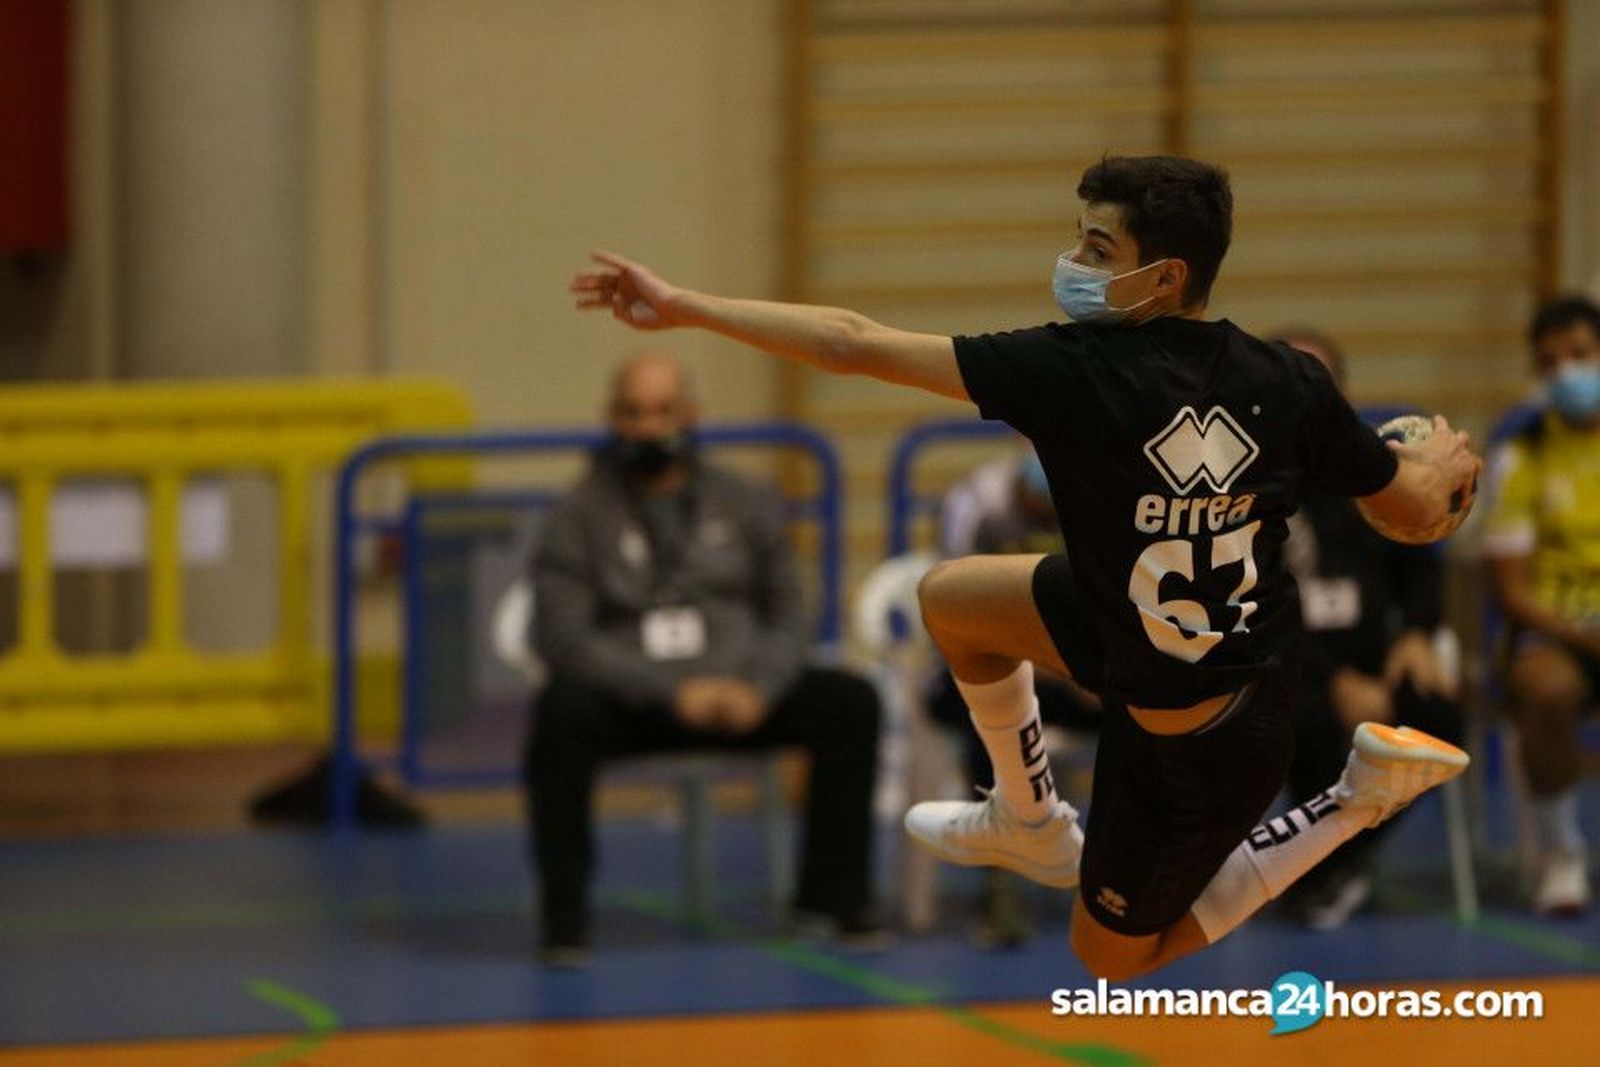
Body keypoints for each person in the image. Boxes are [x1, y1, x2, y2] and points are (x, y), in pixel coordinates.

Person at [570, 154, 1481, 980]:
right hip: (1144, 628)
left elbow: (852, 340)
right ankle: (1032, 819)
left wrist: (685, 305)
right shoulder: (1287, 380)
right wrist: (1439, 477)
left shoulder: (1076, 371)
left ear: (1163, 277)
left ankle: (1353, 802)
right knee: (953, 600)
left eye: (1097, 245)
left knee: (1114, 959)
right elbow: (1406, 508)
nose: (1074, 262)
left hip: (1203, 734)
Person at [524, 352, 882, 962]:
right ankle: (566, 920)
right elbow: (562, 635)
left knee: (849, 701)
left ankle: (830, 901)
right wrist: (668, 692)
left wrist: (760, 688)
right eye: (634, 413)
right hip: (638, 703)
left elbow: (792, 609)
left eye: (663, 411)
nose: (648, 427)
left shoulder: (743, 500)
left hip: (742, 697)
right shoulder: (577, 514)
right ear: (613, 419)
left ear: (691, 415)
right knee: (559, 714)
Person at [1270, 327, 1465, 929]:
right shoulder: (1243, 491)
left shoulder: (1378, 475)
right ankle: (1312, 872)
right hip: (1282, 666)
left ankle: (1328, 868)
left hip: (1376, 660)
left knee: (1434, 716)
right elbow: (1247, 607)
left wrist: (1418, 635)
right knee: (1310, 723)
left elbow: (1420, 567)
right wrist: (1333, 680)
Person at [927, 449, 1101, 946]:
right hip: (977, 665)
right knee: (985, 713)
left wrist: (1100, 672)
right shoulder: (976, 505)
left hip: (1075, 671)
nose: (1048, 521)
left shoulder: (1097, 497)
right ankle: (1001, 879)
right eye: (1038, 511)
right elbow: (956, 613)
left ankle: (1128, 875)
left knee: (1149, 707)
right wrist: (1060, 674)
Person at [1482, 295, 1600, 917]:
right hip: (1557, 631)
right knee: (1546, 691)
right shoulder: (1521, 455)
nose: (1568, 373)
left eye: (1580, 355)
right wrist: (1585, 637)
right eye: (1551, 363)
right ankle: (1563, 854)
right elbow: (1513, 593)